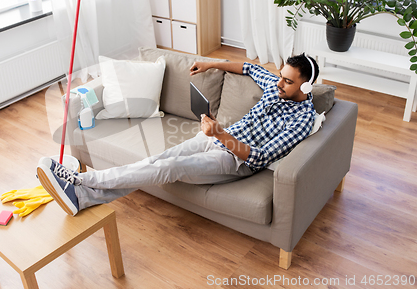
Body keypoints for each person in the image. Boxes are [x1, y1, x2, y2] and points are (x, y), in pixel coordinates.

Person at [37, 53, 319, 216]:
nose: (279, 82)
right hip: (215, 137)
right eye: (281, 75)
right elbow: (247, 67)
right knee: (156, 161)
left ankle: (83, 180)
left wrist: (219, 133)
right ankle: (82, 198)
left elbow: (258, 157)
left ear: (305, 87)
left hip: (234, 160)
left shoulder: (302, 120)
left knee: (168, 168)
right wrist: (210, 63)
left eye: (288, 80)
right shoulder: (275, 83)